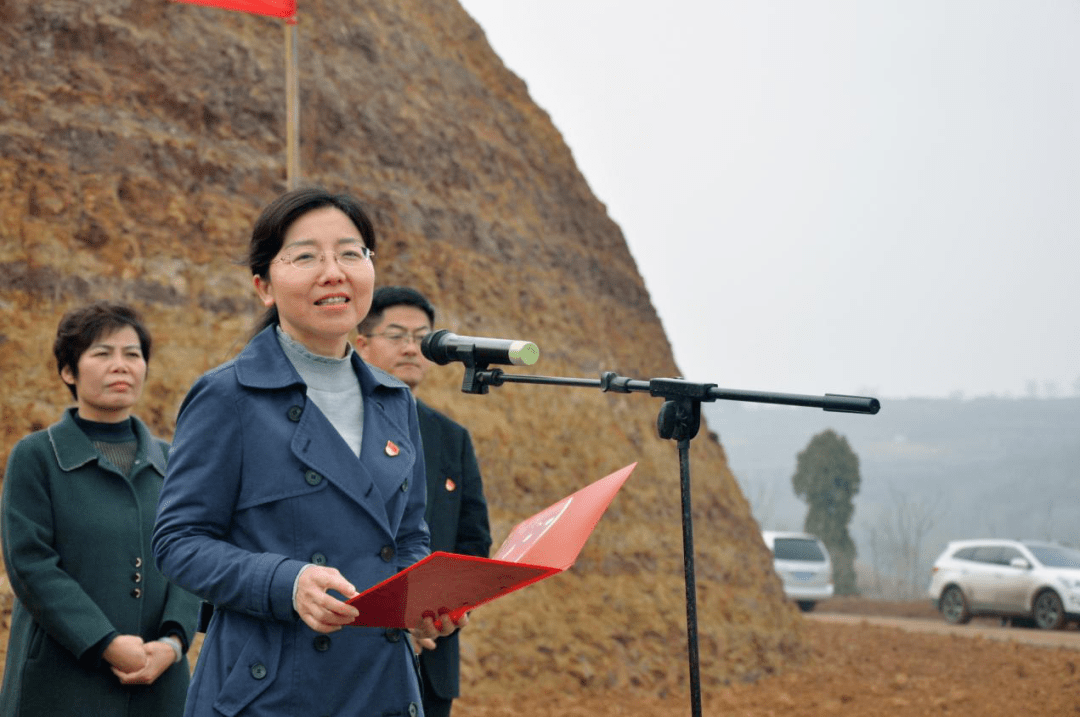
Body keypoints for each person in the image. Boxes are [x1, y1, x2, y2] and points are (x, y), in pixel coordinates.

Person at [151, 187, 459, 717]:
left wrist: (422, 602)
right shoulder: (228, 396)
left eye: (349, 252)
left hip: (380, 682)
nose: (333, 271)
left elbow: (408, 536)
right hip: (268, 689)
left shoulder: (395, 402)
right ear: (263, 285)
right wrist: (286, 582)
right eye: (306, 256)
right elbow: (179, 541)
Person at [1, 302, 200, 717]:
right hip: (62, 679)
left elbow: (191, 554)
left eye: (133, 354)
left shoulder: (172, 460)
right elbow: (31, 565)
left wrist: (174, 643)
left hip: (159, 678)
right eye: (102, 353)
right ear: (69, 372)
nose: (121, 366)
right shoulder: (37, 456)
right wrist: (105, 642)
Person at [356, 287, 492, 717]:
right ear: (361, 344)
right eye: (396, 335)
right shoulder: (331, 427)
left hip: (430, 657)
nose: (411, 348)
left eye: (422, 338)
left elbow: (472, 545)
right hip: (348, 654)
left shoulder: (452, 438)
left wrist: (439, 613)